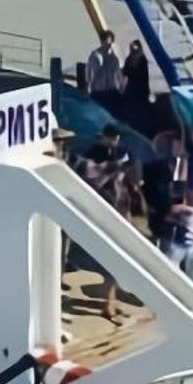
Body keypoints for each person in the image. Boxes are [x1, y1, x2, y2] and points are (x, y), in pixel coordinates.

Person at [77, 127, 141, 323]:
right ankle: (108, 304)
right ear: (103, 136)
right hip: (103, 211)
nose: (114, 141)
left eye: (116, 137)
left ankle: (111, 301)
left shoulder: (121, 153)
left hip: (121, 209)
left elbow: (128, 181)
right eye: (111, 137)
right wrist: (115, 168)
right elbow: (92, 179)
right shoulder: (92, 154)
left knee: (121, 258)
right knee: (109, 260)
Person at [85, 30, 124, 99]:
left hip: (111, 90)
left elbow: (119, 73)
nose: (109, 45)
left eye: (110, 43)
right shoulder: (95, 55)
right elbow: (89, 72)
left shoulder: (114, 57)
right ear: (102, 41)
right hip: (98, 90)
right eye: (107, 42)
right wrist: (88, 86)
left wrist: (121, 88)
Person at [121, 39, 151, 108]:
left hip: (134, 88)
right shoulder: (141, 59)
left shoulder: (132, 59)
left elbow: (125, 73)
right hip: (138, 88)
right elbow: (145, 76)